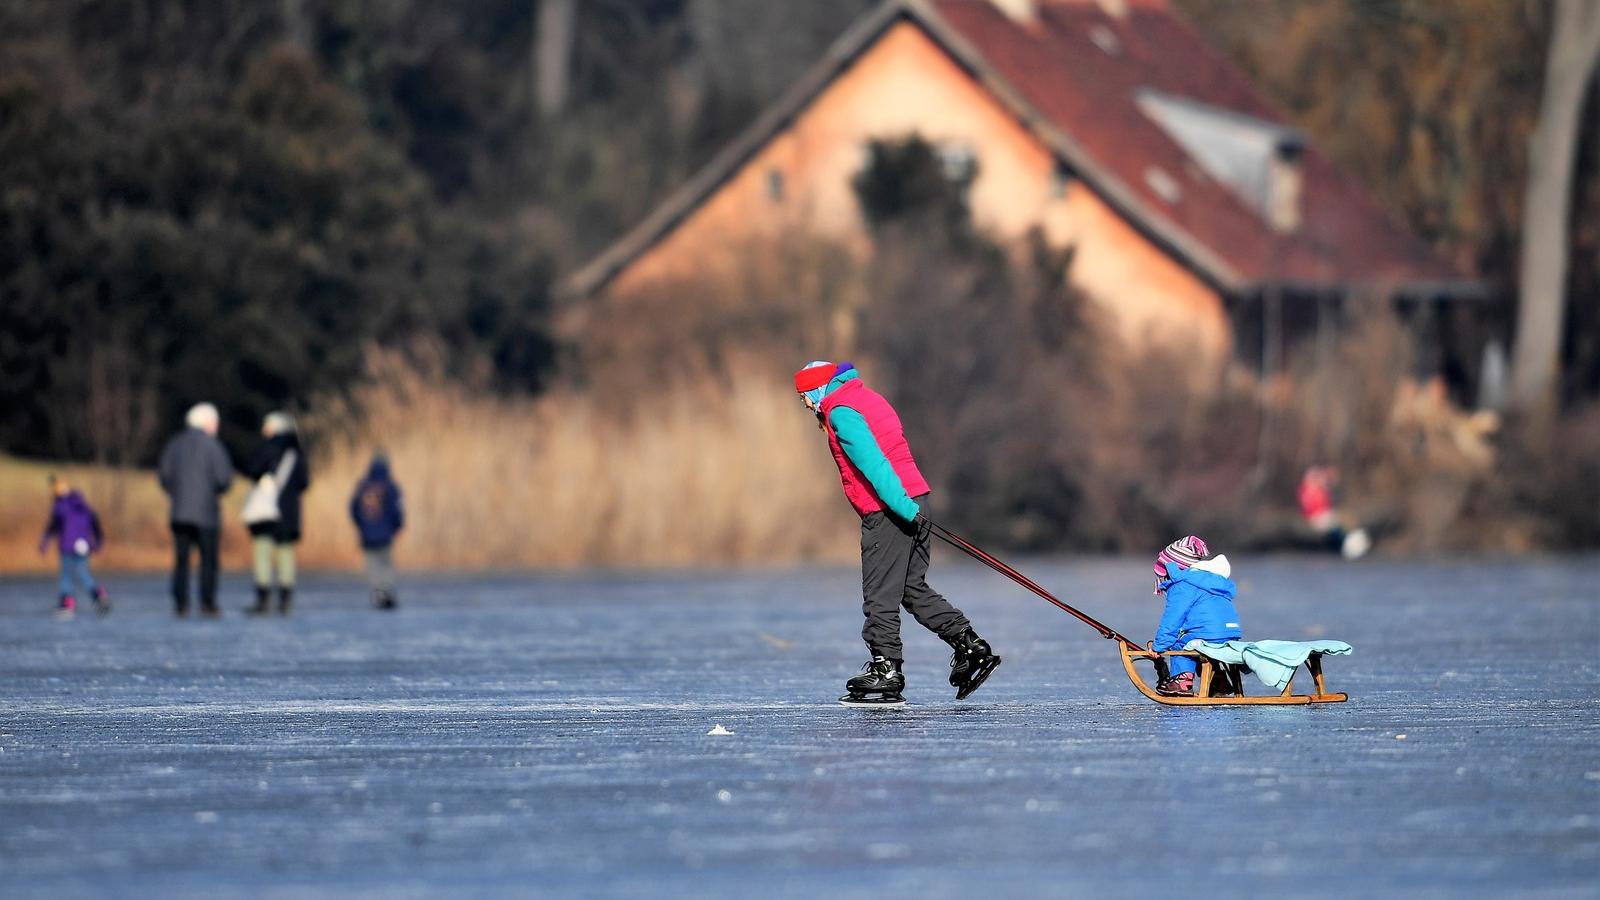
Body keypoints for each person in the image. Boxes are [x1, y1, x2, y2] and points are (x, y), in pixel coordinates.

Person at [794, 360, 1000, 705]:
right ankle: (971, 646)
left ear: (818, 389)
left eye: (804, 395)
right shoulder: (869, 398)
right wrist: (912, 506)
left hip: (890, 508)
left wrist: (902, 509)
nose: (804, 404)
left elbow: (874, 463)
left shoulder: (841, 412)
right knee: (910, 588)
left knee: (879, 593)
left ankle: (886, 670)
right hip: (916, 496)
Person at [158, 402, 234, 617]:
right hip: (206, 515)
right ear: (208, 423)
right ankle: (207, 603)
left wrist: (177, 493)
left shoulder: (175, 445)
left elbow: (164, 477)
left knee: (181, 560)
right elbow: (224, 479)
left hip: (179, 512)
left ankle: (181, 602)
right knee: (208, 560)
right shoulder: (213, 446)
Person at [1149, 535, 1242, 697]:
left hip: (1207, 635)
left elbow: (1172, 620)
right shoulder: (1212, 580)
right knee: (1200, 642)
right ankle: (1218, 680)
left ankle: (1181, 681)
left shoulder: (1183, 585)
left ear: (1173, 567)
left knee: (1181, 644)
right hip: (1230, 634)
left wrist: (1159, 647)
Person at [243, 412, 310, 616]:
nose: (264, 430)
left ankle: (263, 600)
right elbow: (304, 483)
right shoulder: (296, 453)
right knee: (285, 553)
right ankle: (285, 600)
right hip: (288, 513)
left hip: (266, 511)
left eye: (268, 426)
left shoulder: (267, 448)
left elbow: (251, 469)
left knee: (263, 552)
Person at [38, 474, 109, 619]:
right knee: (83, 573)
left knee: (66, 576)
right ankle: (98, 594)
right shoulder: (85, 506)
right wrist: (98, 543)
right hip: (84, 546)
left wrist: (45, 540)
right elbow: (95, 525)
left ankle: (67, 603)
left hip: (67, 545)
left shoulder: (60, 506)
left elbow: (53, 525)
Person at [349, 451, 405, 610]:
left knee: (372, 566)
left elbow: (353, 508)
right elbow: (397, 509)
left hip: (367, 534)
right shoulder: (391, 486)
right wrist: (397, 526)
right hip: (386, 534)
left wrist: (361, 525)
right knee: (386, 565)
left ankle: (379, 594)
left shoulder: (362, 486)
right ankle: (387, 593)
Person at [1297, 466, 1371, 560]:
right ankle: (1347, 544)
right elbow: (1313, 507)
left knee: (1343, 518)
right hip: (1316, 518)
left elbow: (1327, 497)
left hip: (1322, 516)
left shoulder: (1317, 489)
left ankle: (1353, 540)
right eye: (1314, 477)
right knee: (1338, 521)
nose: (1316, 479)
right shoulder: (1308, 491)